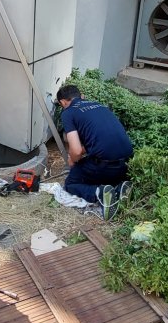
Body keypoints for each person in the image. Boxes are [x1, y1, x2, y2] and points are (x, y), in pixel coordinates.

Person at [56, 83, 133, 220]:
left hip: (105, 165)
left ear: (63, 102)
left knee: (71, 183)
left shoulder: (68, 112)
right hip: (126, 162)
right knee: (96, 165)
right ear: (82, 96)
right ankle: (119, 187)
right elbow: (98, 138)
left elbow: (77, 151)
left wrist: (72, 159)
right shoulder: (99, 105)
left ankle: (100, 193)